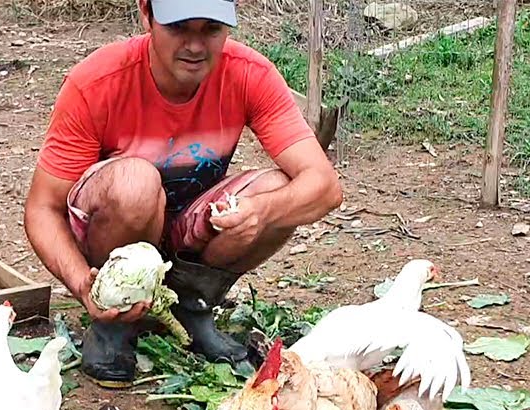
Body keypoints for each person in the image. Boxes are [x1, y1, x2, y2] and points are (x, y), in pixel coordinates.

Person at [24, 0, 344, 388]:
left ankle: (194, 304)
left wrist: (261, 210)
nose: (194, 46)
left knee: (279, 193)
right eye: (178, 28)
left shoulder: (249, 73)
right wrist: (82, 284)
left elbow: (323, 186)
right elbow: (42, 208)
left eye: (210, 29)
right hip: (115, 240)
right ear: (147, 14)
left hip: (188, 236)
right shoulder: (98, 82)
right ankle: (113, 321)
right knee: (135, 184)